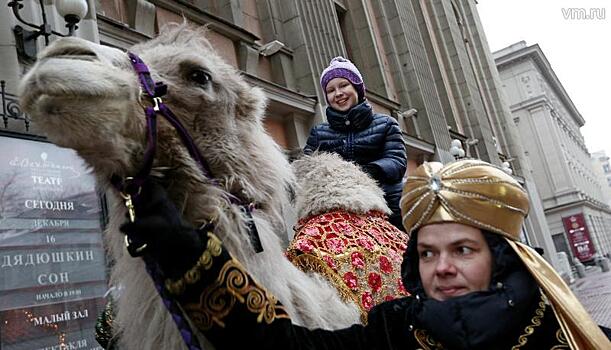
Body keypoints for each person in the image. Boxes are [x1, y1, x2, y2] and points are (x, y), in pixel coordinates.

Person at [116, 159, 611, 349]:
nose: (441, 268)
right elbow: (280, 347)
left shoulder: (568, 337)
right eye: (427, 253)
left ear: (501, 257)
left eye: (462, 249)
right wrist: (184, 252)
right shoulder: (399, 329)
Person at [304, 56, 406, 230]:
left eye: (344, 85)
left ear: (357, 88)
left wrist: (366, 172)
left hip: (387, 201)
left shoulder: (386, 124)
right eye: (330, 90)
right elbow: (306, 167)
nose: (338, 93)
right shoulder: (319, 133)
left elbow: (397, 162)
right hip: (338, 203)